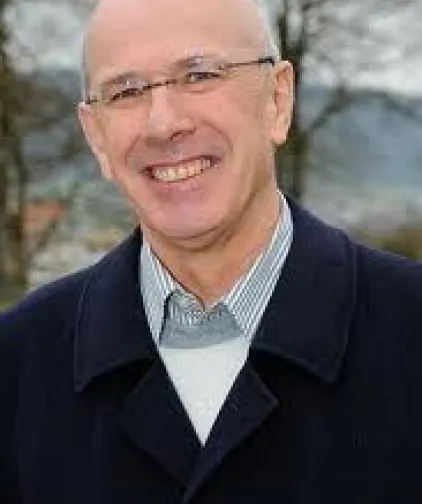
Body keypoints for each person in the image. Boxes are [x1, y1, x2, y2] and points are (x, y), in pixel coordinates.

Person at [1, 0, 422, 501]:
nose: (164, 124)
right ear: (96, 137)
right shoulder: (19, 364)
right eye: (127, 91)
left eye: (199, 75)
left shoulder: (409, 327)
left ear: (277, 100)